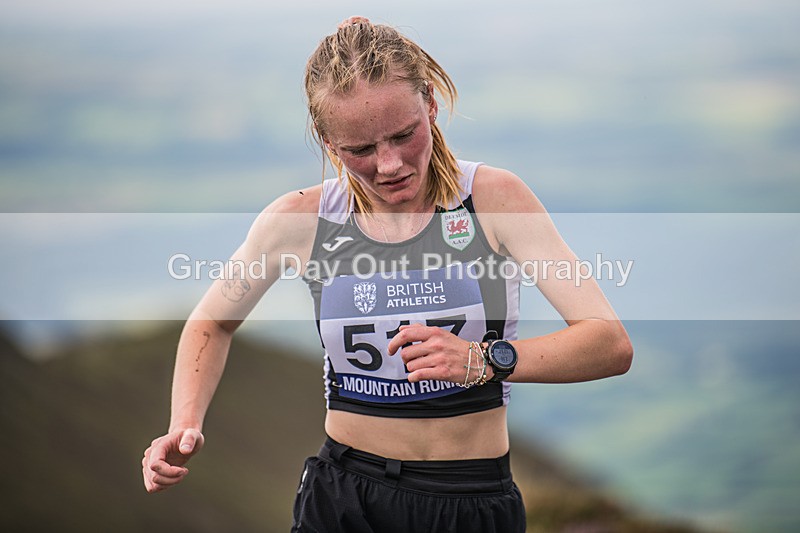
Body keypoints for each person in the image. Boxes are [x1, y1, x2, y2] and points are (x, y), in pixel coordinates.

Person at [142, 16, 633, 532]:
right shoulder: (298, 221)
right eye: (360, 149)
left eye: (405, 135)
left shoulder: (494, 199)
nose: (390, 164)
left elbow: (609, 343)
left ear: (431, 107)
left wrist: (483, 359)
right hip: (342, 496)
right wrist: (184, 423)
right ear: (328, 143)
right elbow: (212, 322)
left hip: (469, 498)